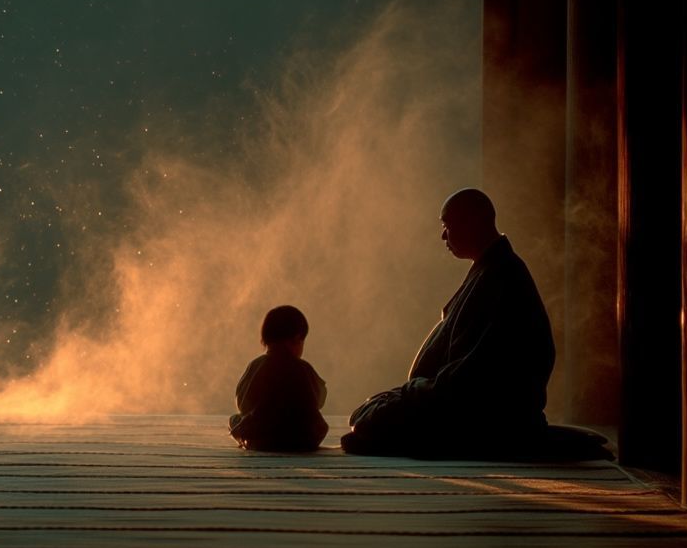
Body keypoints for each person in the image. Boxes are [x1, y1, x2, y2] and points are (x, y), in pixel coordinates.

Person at [341, 188, 602, 459]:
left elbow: (478, 373)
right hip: (450, 399)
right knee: (366, 416)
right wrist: (414, 391)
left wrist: (417, 391)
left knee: (368, 425)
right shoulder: (489, 270)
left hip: (482, 413)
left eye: (447, 225)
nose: (443, 235)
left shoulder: (504, 276)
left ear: (473, 222)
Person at [229, 305, 330, 452]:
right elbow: (319, 398)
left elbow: (243, 403)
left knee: (234, 420)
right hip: (304, 439)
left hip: (262, 440)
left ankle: (246, 439)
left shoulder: (256, 366)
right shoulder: (303, 367)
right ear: (296, 339)